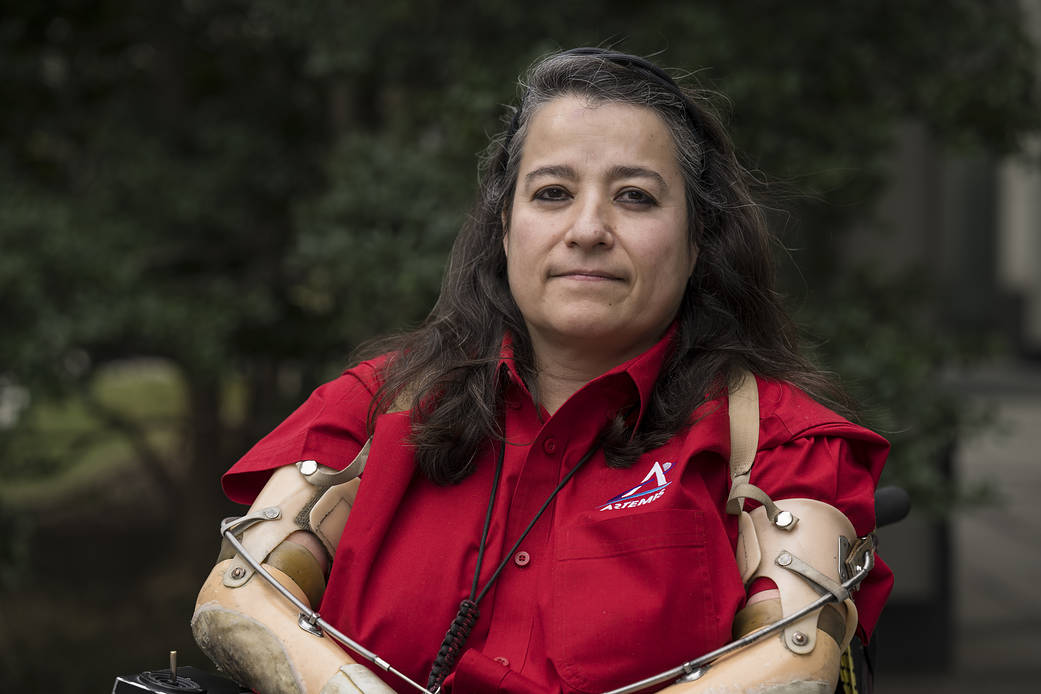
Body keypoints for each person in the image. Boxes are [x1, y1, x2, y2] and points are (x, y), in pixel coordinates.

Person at [192, 48, 892, 694]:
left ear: (698, 240)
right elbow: (239, 596)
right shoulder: (372, 406)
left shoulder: (782, 445)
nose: (587, 228)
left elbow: (795, 653)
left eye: (635, 197)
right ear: (504, 227)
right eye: (552, 192)